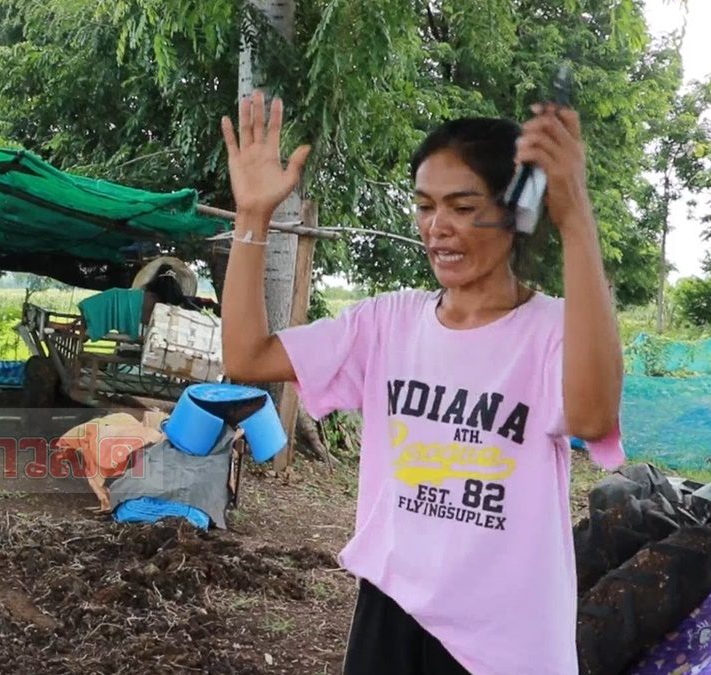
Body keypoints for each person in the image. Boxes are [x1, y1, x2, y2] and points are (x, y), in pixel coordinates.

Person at [219, 90, 625, 675]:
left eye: (463, 206)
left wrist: (576, 217)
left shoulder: (553, 331)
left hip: (502, 640)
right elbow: (247, 357)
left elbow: (591, 417)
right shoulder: (386, 324)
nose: (438, 227)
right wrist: (253, 217)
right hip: (393, 612)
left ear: (515, 212)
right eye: (425, 205)